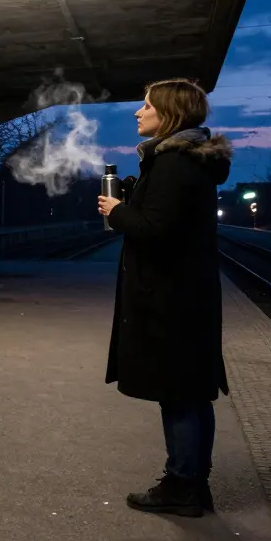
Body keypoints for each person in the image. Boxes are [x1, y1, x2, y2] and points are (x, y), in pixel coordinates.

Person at [97, 78, 231, 517]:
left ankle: (183, 486)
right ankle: (192, 483)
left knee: (178, 394)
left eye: (147, 105)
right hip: (185, 298)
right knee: (190, 393)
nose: (138, 112)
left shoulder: (174, 165)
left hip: (171, 302)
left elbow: (156, 232)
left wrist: (118, 212)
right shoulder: (186, 162)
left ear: (168, 114)